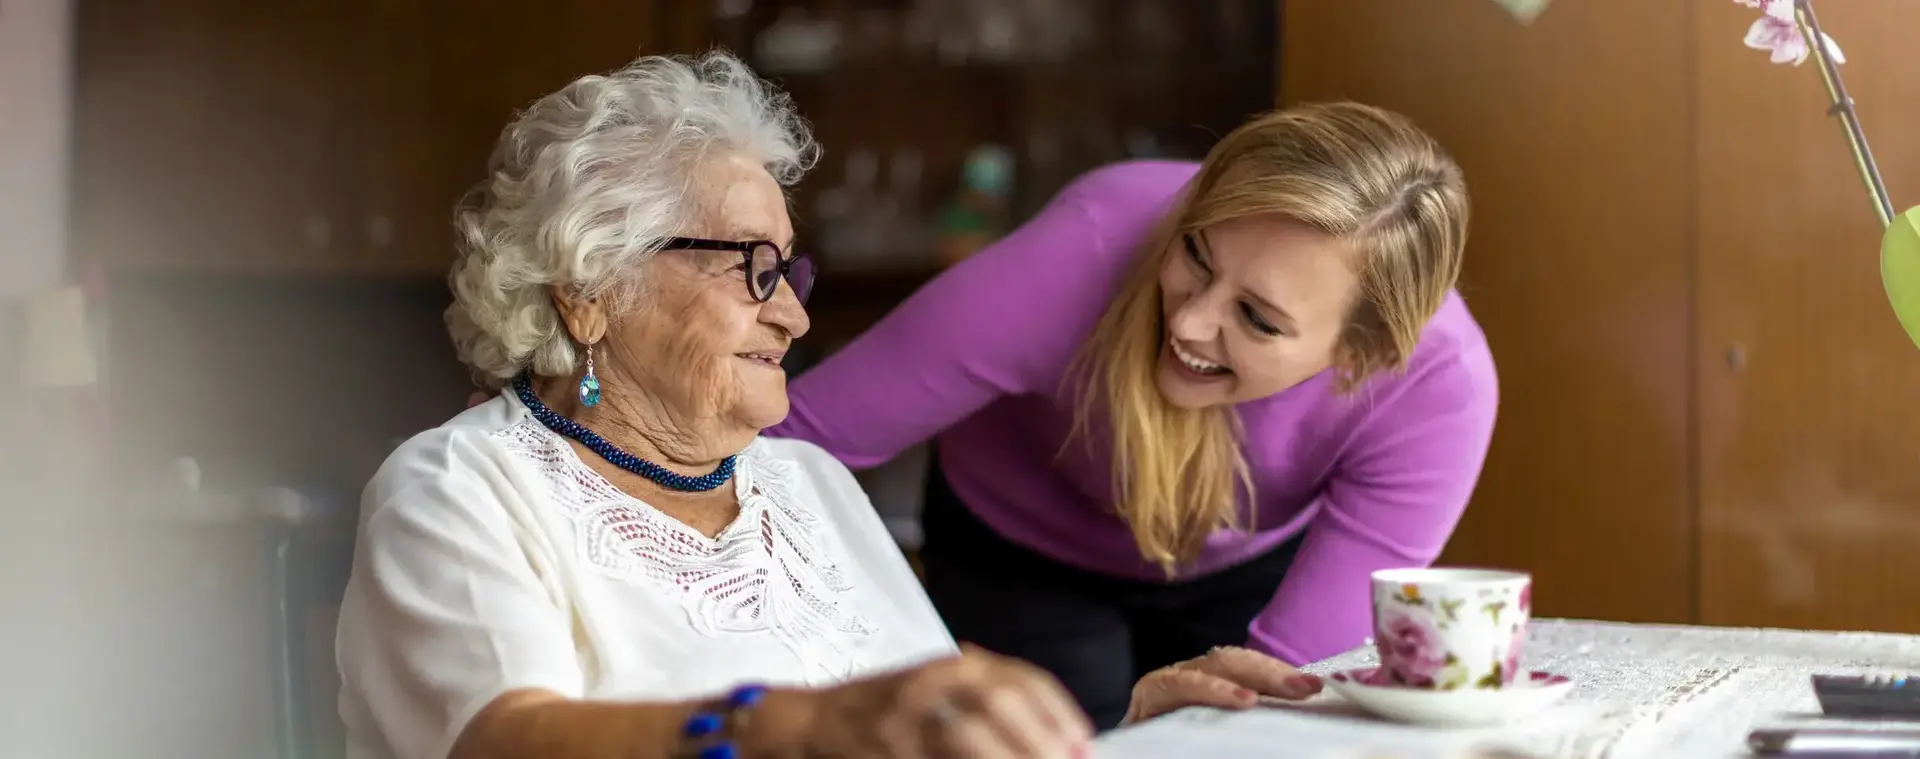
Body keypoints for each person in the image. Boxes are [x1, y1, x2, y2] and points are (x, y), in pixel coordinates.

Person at [336, 52, 1322, 759]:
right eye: (754, 270)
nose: (797, 316)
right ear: (592, 290)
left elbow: (921, 731)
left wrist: (1122, 738)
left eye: (790, 270)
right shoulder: (460, 488)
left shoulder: (805, 484)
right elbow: (505, 738)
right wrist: (799, 727)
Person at [766, 102, 1498, 728]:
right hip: (1021, 545)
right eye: (1196, 254)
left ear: (1360, 356)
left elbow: (1288, 698)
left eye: (1256, 318)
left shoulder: (1438, 390)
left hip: (1244, 564)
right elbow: (791, 442)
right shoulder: (1086, 247)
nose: (1190, 323)